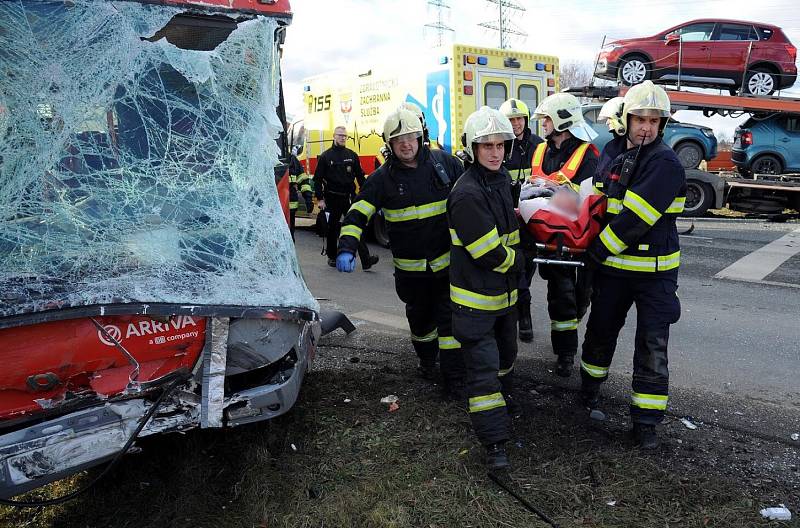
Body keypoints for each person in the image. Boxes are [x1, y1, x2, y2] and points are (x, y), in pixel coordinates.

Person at [580, 81, 687, 450]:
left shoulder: (665, 163)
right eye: (640, 118)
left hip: (653, 274)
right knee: (600, 330)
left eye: (654, 121)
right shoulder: (611, 151)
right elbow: (596, 201)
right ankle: (588, 392)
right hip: (614, 270)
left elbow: (635, 219)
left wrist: (596, 250)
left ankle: (645, 423)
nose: (646, 126)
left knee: (652, 346)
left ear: (662, 125)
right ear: (626, 119)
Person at [336, 108, 465, 393]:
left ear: (421, 137)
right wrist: (347, 247)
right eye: (399, 140)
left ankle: (454, 378)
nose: (406, 144)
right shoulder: (382, 179)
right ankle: (427, 362)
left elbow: (473, 196)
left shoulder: (446, 164)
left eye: (411, 137)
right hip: (411, 274)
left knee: (449, 323)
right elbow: (358, 212)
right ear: (390, 145)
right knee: (420, 324)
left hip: (447, 268)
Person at [447, 106, 526, 470]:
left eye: (500, 145)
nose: (495, 152)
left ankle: (503, 405)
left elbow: (509, 233)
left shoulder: (499, 180)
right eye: (487, 146)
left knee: (505, 361)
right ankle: (495, 445)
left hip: (503, 301)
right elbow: (488, 252)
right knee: (483, 372)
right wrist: (524, 259)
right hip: (475, 305)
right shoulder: (466, 193)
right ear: (472, 149)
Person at [529, 93, 599, 377]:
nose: (542, 124)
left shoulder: (588, 154)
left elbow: (590, 197)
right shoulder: (539, 151)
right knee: (560, 295)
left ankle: (580, 309)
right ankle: (566, 353)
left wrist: (556, 195)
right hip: (548, 236)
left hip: (581, 236)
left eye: (546, 119)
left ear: (561, 120)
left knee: (579, 295)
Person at [499, 98, 544, 344]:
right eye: (511, 119)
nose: (515, 124)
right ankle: (523, 317)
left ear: (526, 120)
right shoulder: (500, 145)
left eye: (519, 119)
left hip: (532, 220)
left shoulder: (538, 146)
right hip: (507, 219)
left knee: (527, 268)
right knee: (517, 270)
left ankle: (520, 310)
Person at [313, 125, 378, 269]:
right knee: (332, 229)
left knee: (356, 226)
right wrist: (320, 199)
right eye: (340, 135)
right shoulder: (326, 156)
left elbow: (360, 177)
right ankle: (332, 257)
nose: (343, 138)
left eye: (345, 136)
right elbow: (317, 179)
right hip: (332, 197)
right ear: (334, 136)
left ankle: (366, 260)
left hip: (349, 197)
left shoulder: (352, 155)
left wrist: (366, 193)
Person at [288, 153, 313, 240]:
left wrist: (308, 199)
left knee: (289, 238)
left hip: (290, 210)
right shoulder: (265, 158)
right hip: (272, 211)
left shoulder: (292, 160)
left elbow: (303, 180)